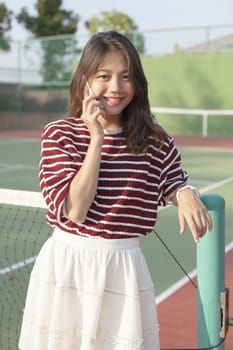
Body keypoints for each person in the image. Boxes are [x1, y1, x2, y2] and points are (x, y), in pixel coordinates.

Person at [18, 31, 212, 350]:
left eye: (126, 77)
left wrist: (186, 189)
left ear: (137, 83)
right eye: (104, 76)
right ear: (85, 81)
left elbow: (173, 180)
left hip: (125, 268)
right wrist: (96, 140)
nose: (115, 88)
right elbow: (76, 210)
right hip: (67, 267)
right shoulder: (59, 135)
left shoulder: (154, 139)